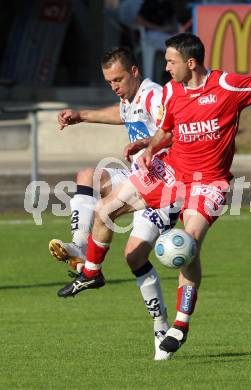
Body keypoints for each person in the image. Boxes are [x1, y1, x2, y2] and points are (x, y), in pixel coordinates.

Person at [57, 33, 251, 356]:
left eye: (170, 61)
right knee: (105, 209)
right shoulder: (172, 92)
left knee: (188, 245)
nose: (166, 68)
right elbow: (167, 129)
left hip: (208, 184)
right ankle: (91, 273)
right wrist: (149, 145)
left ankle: (180, 324)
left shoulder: (228, 87)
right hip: (170, 172)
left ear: (191, 63)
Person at [50, 47, 181, 361]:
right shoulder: (130, 98)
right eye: (109, 81)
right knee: (87, 176)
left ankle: (160, 326)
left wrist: (150, 143)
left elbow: (178, 130)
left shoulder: (154, 96)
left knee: (133, 256)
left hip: (164, 187)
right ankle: (82, 251)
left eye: (119, 79)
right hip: (139, 176)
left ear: (135, 71)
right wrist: (82, 116)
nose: (115, 86)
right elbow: (120, 113)